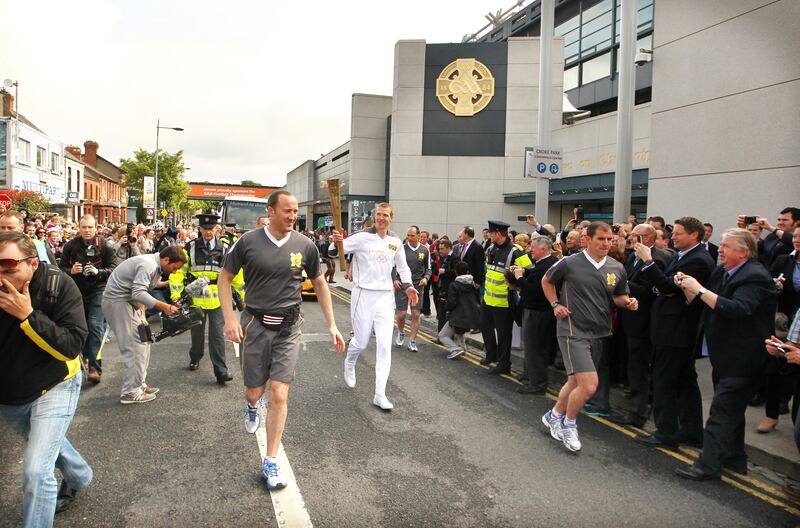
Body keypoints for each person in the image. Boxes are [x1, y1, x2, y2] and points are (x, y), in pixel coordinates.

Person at [219, 190, 345, 491]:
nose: (292, 217)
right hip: (255, 324)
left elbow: (319, 283)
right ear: (271, 211)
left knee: (278, 392)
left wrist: (332, 325)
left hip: (289, 327)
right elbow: (224, 278)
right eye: (287, 211)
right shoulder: (247, 242)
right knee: (254, 391)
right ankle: (251, 406)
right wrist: (229, 319)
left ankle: (271, 460)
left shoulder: (306, 245)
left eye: (295, 212)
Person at [0, 231, 93, 524]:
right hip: (10, 394)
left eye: (8, 266)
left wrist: (27, 315)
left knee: (36, 470)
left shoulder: (58, 285)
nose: (0, 275)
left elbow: (71, 346)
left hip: (56, 383)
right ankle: (79, 475)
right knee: (46, 442)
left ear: (33, 265)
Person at [672, 228, 777, 480]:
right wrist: (688, 286)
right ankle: (734, 459)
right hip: (723, 355)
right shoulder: (722, 271)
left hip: (744, 359)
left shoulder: (755, 277)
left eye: (726, 246)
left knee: (721, 411)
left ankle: (707, 465)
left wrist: (699, 289)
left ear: (743, 252)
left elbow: (738, 309)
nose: (720, 250)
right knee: (731, 411)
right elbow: (706, 299)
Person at [541, 222, 638, 452]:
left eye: (609, 239)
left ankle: (553, 415)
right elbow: (546, 280)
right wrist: (555, 304)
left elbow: (619, 296)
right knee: (590, 385)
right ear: (588, 240)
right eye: (601, 239)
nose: (606, 243)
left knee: (575, 381)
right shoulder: (569, 263)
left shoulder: (616, 267)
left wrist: (629, 302)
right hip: (572, 330)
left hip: (599, 332)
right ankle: (569, 423)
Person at [634, 217, 715, 450]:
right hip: (670, 327)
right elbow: (664, 285)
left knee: (665, 381)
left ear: (694, 236)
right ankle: (690, 432)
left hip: (676, 330)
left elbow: (668, 287)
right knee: (683, 381)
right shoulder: (684, 256)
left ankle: (666, 432)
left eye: (679, 233)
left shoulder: (698, 260)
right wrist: (664, 285)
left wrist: (649, 262)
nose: (673, 237)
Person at [330, 202, 416, 411]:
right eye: (378, 214)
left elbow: (403, 268)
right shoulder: (361, 237)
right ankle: (350, 363)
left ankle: (380, 394)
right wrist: (336, 242)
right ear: (374, 216)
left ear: (391, 217)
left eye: (385, 215)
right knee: (360, 342)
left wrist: (409, 286)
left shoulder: (395, 242)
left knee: (385, 347)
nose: (381, 218)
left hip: (386, 298)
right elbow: (334, 252)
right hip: (363, 295)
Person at [102, 247, 185, 404]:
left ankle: (139, 384)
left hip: (129, 303)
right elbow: (138, 293)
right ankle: (130, 392)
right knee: (134, 347)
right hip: (119, 302)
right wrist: (165, 307)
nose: (174, 272)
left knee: (144, 341)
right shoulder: (148, 264)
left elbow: (146, 286)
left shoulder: (155, 266)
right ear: (167, 260)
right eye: (174, 268)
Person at [169, 213, 245, 384]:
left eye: (211, 229)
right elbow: (178, 273)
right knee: (196, 333)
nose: (208, 232)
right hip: (196, 298)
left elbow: (237, 274)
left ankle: (221, 370)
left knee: (217, 335)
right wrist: (176, 295)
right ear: (200, 229)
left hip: (219, 299)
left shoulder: (226, 248)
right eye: (205, 229)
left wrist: (240, 295)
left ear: (217, 229)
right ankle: (195, 356)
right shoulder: (190, 248)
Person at [611, 223, 672, 427]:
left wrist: (619, 284)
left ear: (648, 238)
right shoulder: (632, 257)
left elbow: (649, 291)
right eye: (630, 235)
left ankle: (638, 413)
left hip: (643, 322)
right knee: (633, 367)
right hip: (630, 318)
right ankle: (635, 408)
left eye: (635, 236)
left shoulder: (656, 259)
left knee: (640, 368)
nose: (630, 239)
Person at [59, 214, 117, 384]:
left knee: (94, 326)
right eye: (84, 227)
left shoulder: (104, 245)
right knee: (80, 326)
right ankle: (84, 357)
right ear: (79, 227)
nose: (87, 230)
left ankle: (94, 366)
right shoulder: (71, 245)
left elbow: (114, 269)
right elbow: (60, 268)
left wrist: (99, 272)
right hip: (76, 291)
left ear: (96, 227)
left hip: (98, 290)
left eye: (90, 227)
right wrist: (72, 271)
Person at [505, 235, 558, 394]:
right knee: (531, 347)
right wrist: (523, 272)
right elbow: (534, 275)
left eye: (532, 247)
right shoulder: (543, 264)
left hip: (538, 313)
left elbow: (533, 290)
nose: (530, 250)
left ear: (543, 249)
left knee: (536, 349)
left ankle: (537, 384)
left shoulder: (546, 266)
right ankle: (530, 376)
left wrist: (520, 277)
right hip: (534, 312)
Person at [480, 220, 532, 375]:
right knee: (485, 327)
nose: (488, 235)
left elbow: (529, 270)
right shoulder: (490, 249)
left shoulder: (516, 251)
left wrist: (516, 282)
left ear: (497, 233)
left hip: (504, 301)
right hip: (488, 299)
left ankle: (504, 364)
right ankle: (491, 355)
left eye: (490, 233)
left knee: (504, 334)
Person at [393, 225, 431, 353]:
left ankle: (412, 341)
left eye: (412, 235)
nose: (409, 238)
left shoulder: (425, 250)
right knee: (402, 314)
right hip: (402, 285)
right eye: (408, 235)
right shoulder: (401, 249)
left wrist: (426, 278)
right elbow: (393, 266)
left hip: (417, 286)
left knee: (415, 314)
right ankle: (401, 332)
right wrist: (395, 279)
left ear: (419, 236)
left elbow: (429, 268)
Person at [438, 261, 480, 359]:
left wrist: (446, 305)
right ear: (468, 271)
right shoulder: (473, 284)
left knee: (442, 335)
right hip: (470, 314)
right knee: (459, 332)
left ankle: (455, 349)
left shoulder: (454, 285)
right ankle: (462, 348)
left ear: (456, 272)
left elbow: (452, 303)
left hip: (458, 315)